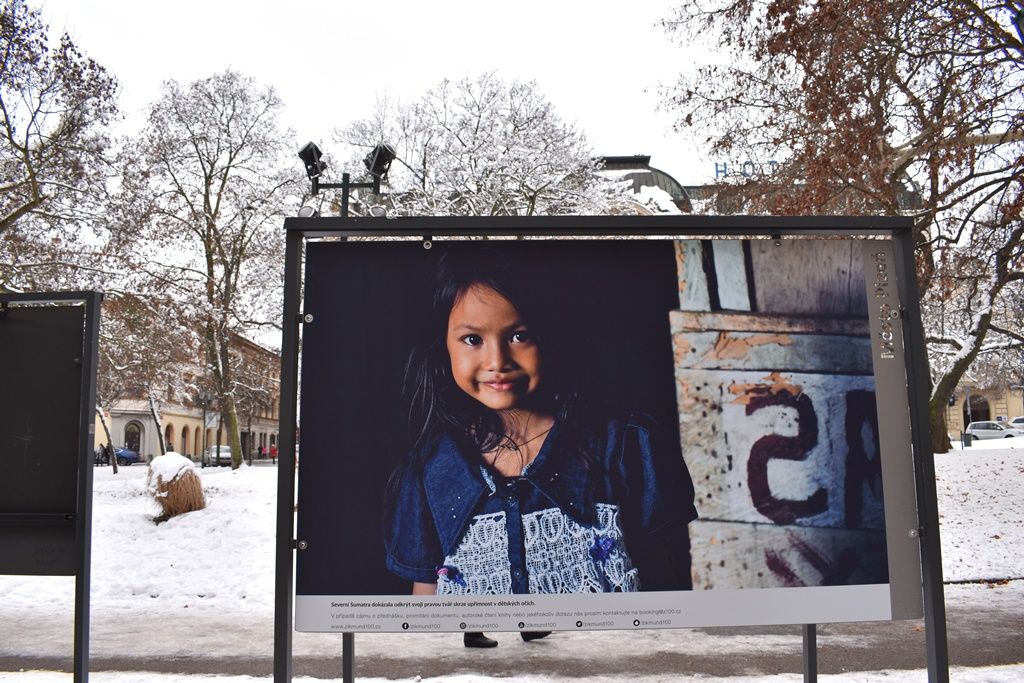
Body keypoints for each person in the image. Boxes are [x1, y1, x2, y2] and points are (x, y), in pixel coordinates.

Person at [383, 246, 696, 601]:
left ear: (551, 333)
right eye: (473, 340)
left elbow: (668, 583)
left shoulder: (625, 445)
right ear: (444, 346)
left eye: (519, 336)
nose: (497, 361)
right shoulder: (427, 472)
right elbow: (425, 604)